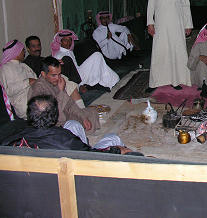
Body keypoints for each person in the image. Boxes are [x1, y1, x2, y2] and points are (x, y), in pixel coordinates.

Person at [1, 94, 132, 154]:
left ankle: (84, 140)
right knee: (113, 138)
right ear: (54, 116)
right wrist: (116, 150)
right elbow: (91, 155)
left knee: (72, 124)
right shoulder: (64, 139)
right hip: (73, 170)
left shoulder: (15, 135)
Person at [146, 0, 193, 93]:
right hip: (161, 25)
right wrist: (150, 23)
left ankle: (176, 80)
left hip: (178, 24)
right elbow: (151, 5)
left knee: (177, 51)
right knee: (160, 52)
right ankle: (155, 82)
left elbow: (186, 5)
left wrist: (188, 24)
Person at [28, 56, 100, 132]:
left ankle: (80, 131)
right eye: (54, 75)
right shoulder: (38, 89)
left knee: (92, 112)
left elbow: (69, 103)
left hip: (65, 115)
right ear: (43, 74)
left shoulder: (54, 82)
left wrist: (83, 117)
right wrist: (61, 91)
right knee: (73, 126)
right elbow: (51, 115)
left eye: (59, 74)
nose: (58, 78)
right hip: (54, 124)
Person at [23, 35, 86, 108]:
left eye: (38, 45)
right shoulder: (27, 63)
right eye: (33, 46)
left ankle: (78, 86)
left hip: (54, 74)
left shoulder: (43, 59)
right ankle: (79, 88)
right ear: (28, 49)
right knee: (66, 60)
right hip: (46, 79)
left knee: (65, 60)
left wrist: (56, 62)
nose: (37, 48)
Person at [51, 29, 119, 91]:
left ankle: (110, 80)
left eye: (70, 40)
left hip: (79, 73)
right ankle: (93, 84)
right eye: (65, 40)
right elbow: (64, 74)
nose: (68, 42)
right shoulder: (58, 55)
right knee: (97, 55)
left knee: (98, 58)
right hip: (76, 79)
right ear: (61, 41)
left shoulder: (70, 51)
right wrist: (79, 84)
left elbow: (76, 67)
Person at [0, 40, 38, 118]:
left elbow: (36, 80)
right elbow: (8, 91)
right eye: (22, 50)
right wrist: (27, 82)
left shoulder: (24, 66)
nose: (24, 53)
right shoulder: (5, 68)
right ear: (16, 52)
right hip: (22, 104)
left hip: (36, 96)